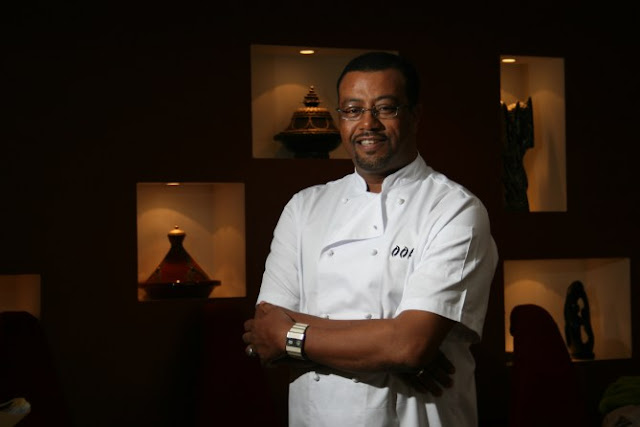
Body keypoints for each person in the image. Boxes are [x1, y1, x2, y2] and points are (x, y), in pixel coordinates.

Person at [243, 51, 498, 426]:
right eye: (353, 110)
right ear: (341, 118)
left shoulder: (454, 209)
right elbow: (265, 330)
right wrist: (389, 349)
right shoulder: (303, 208)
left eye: (385, 108)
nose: (368, 124)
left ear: (415, 115)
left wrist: (290, 336)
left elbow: (410, 346)